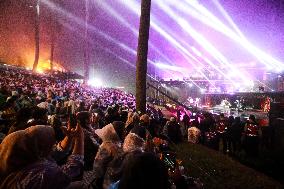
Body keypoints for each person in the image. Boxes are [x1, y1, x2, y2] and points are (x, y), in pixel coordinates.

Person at [0, 125, 84, 189]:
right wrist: (79, 139)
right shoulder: (36, 177)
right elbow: (70, 171)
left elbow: (57, 153)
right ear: (39, 149)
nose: (53, 145)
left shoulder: (23, 160)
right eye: (51, 143)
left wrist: (69, 137)